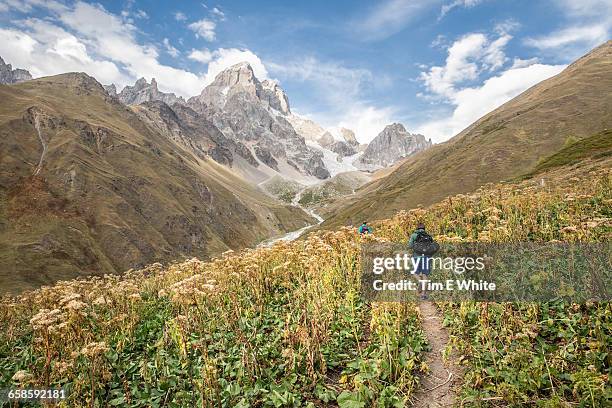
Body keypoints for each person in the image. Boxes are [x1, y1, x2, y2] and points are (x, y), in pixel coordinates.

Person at [408, 223, 432, 299]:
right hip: (426, 257)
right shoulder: (428, 236)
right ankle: (423, 295)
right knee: (425, 275)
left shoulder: (414, 235)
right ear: (424, 228)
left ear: (417, 228)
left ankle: (420, 281)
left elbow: (410, 246)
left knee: (414, 272)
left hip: (417, 257)